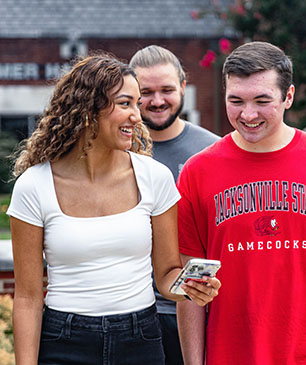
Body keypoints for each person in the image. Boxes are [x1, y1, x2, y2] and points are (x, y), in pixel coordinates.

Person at [7, 53, 220, 364]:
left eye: (137, 103)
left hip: (140, 339)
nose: (137, 115)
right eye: (125, 104)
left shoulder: (154, 177)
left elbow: (165, 276)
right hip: (63, 340)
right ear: (88, 110)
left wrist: (191, 287)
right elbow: (27, 298)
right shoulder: (34, 185)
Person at [176, 41, 306, 364]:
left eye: (262, 100)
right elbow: (192, 286)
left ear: (289, 97)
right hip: (231, 354)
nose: (248, 114)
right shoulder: (197, 172)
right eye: (236, 101)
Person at [129, 45, 220, 365]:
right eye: (146, 92)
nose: (157, 101)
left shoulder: (213, 151)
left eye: (167, 89)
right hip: (131, 314)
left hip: (198, 310)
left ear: (183, 86)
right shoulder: (114, 152)